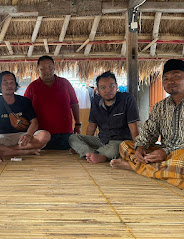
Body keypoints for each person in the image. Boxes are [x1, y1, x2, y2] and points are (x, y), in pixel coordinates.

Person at [110, 59, 184, 189]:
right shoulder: (160, 106)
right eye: (166, 79)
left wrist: (166, 151)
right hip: (163, 156)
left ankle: (134, 167)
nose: (170, 81)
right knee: (125, 146)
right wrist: (141, 147)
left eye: (176, 76)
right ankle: (160, 171)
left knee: (180, 165)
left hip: (178, 156)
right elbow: (149, 131)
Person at [69, 71, 140, 163]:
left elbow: (133, 126)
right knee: (73, 138)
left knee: (115, 148)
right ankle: (94, 153)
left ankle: (98, 155)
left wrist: (137, 147)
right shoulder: (95, 102)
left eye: (111, 86)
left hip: (121, 142)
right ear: (98, 90)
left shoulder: (127, 99)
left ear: (117, 86)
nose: (108, 90)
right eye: (103, 87)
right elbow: (91, 125)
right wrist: (87, 142)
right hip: (102, 140)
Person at [0, 71, 51, 161]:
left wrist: (28, 135)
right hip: (4, 137)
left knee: (45, 136)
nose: (9, 85)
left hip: (22, 137)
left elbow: (34, 122)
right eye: (5, 83)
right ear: (0, 86)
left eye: (12, 82)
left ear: (15, 85)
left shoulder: (24, 101)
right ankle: (24, 151)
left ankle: (9, 151)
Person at [24, 55, 80, 150]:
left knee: (67, 161)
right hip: (42, 135)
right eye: (43, 68)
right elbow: (25, 109)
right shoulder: (32, 87)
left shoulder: (65, 83)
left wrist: (78, 124)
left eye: (50, 67)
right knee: (44, 162)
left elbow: (74, 104)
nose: (47, 70)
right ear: (38, 69)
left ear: (54, 67)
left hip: (65, 133)